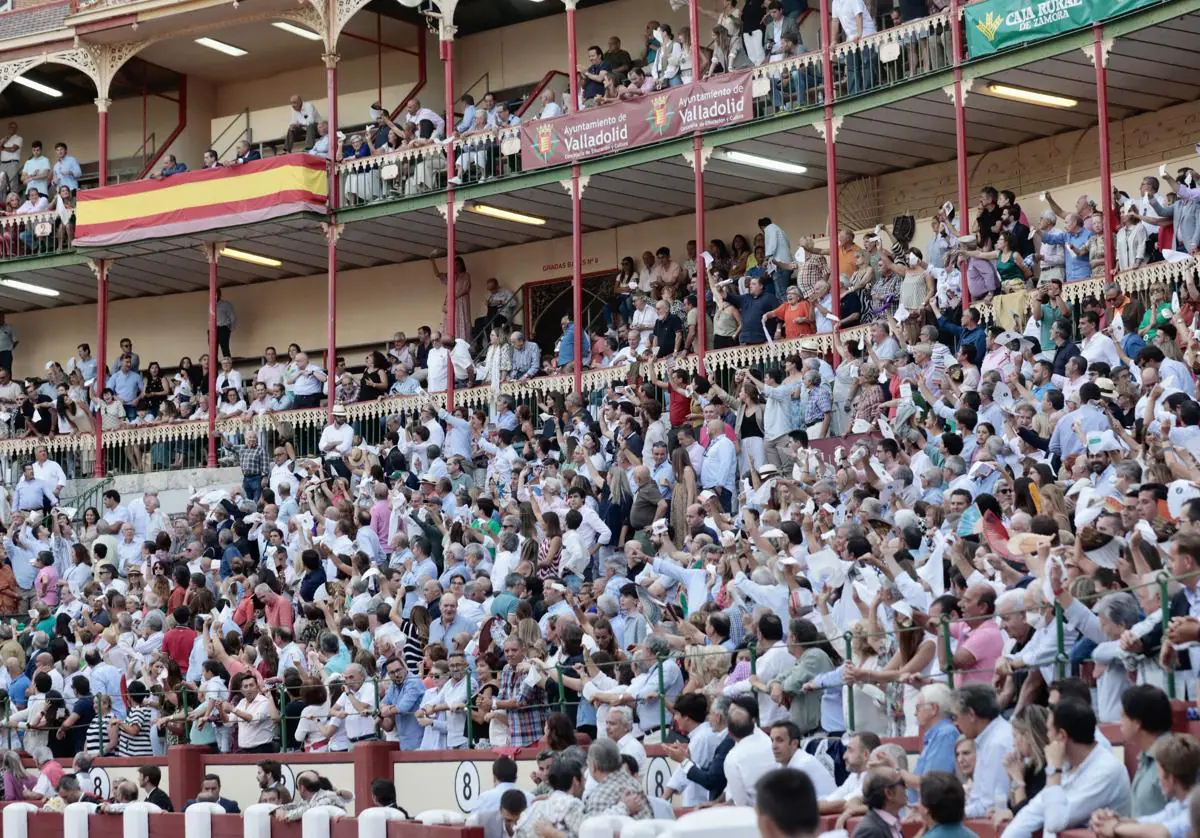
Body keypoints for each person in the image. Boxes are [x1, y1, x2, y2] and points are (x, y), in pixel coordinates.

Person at [1000, 699, 1131, 838]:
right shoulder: (1067, 765)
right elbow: (1030, 814)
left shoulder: (1106, 770)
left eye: (1049, 730)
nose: (1047, 736)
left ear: (1062, 736)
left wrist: (1054, 770)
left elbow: (1054, 822)